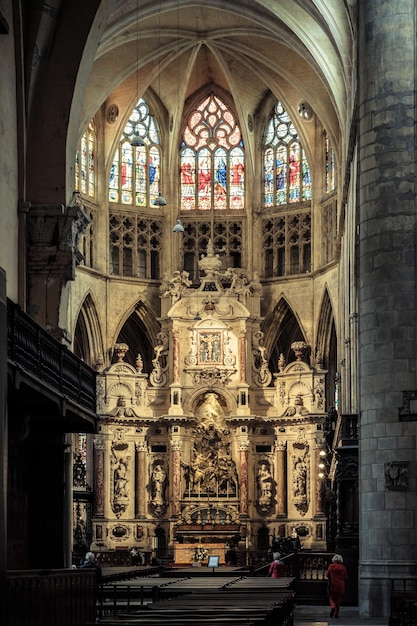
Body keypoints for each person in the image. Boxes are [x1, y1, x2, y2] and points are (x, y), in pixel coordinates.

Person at [325, 554, 348, 618]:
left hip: (333, 585)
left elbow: (327, 575)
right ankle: (336, 614)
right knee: (338, 600)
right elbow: (345, 577)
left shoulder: (331, 566)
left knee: (331, 598)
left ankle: (333, 607)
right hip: (340, 586)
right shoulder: (343, 568)